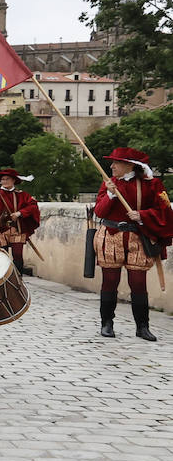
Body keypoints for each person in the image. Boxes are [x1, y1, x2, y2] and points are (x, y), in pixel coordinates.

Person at [93, 146, 172, 341]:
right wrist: (111, 194)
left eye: (115, 163)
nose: (111, 166)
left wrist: (142, 215)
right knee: (110, 281)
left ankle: (142, 327)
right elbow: (99, 212)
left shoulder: (151, 185)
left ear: (128, 165)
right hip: (110, 236)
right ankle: (107, 323)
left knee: (138, 283)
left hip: (137, 237)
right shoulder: (109, 184)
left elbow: (165, 211)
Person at [0, 167, 41, 274]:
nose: (4, 181)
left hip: (17, 229)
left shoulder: (22, 195)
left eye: (7, 179)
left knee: (17, 254)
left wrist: (20, 213)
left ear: (13, 180)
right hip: (2, 229)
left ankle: (18, 277)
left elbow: (33, 206)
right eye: (3, 179)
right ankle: (2, 277)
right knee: (1, 255)